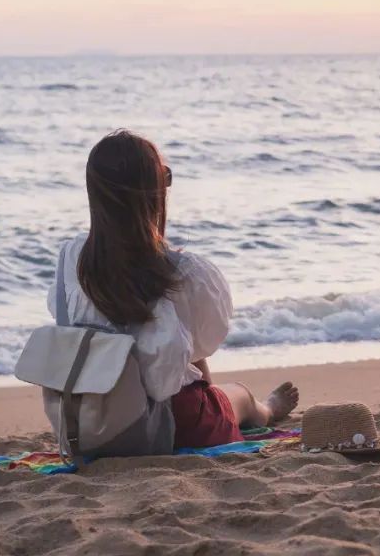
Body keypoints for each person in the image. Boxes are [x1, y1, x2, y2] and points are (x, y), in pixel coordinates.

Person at [47, 129, 298, 451]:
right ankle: (266, 409)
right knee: (240, 395)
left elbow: (66, 322)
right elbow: (206, 344)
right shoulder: (183, 270)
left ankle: (237, 403)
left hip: (92, 418)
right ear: (153, 191)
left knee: (185, 349)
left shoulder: (71, 257)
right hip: (173, 422)